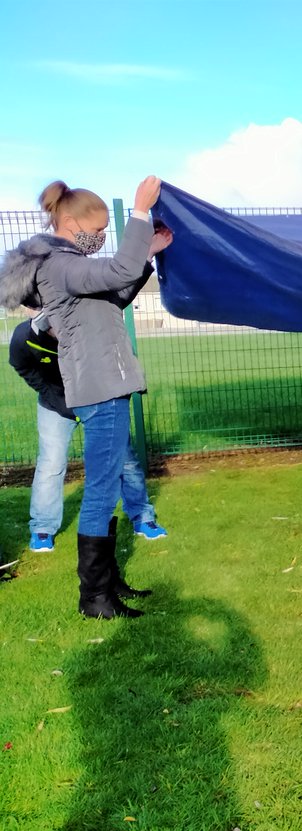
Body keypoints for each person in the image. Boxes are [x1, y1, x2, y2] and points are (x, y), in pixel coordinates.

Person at [0, 176, 172, 618]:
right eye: (96, 229)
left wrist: (147, 253)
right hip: (101, 388)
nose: (99, 237)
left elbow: (113, 297)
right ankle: (95, 597)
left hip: (100, 385)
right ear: (70, 221)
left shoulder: (66, 263)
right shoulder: (60, 264)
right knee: (100, 489)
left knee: (105, 484)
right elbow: (116, 272)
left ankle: (107, 583)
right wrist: (138, 211)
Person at [8, 312, 168, 555]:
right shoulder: (25, 336)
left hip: (99, 402)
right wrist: (57, 400)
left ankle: (142, 517)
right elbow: (21, 365)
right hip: (56, 405)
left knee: (125, 461)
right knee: (51, 464)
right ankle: (42, 528)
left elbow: (119, 365)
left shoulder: (93, 331)